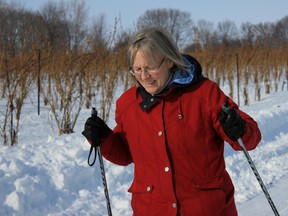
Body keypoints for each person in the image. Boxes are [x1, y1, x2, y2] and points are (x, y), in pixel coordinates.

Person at [82, 26, 261, 216]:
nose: (144, 76)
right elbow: (126, 154)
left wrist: (238, 128)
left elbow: (250, 139)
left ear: (168, 61)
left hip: (206, 209)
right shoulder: (128, 105)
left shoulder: (204, 94)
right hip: (151, 209)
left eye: (150, 68)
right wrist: (103, 138)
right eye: (137, 69)